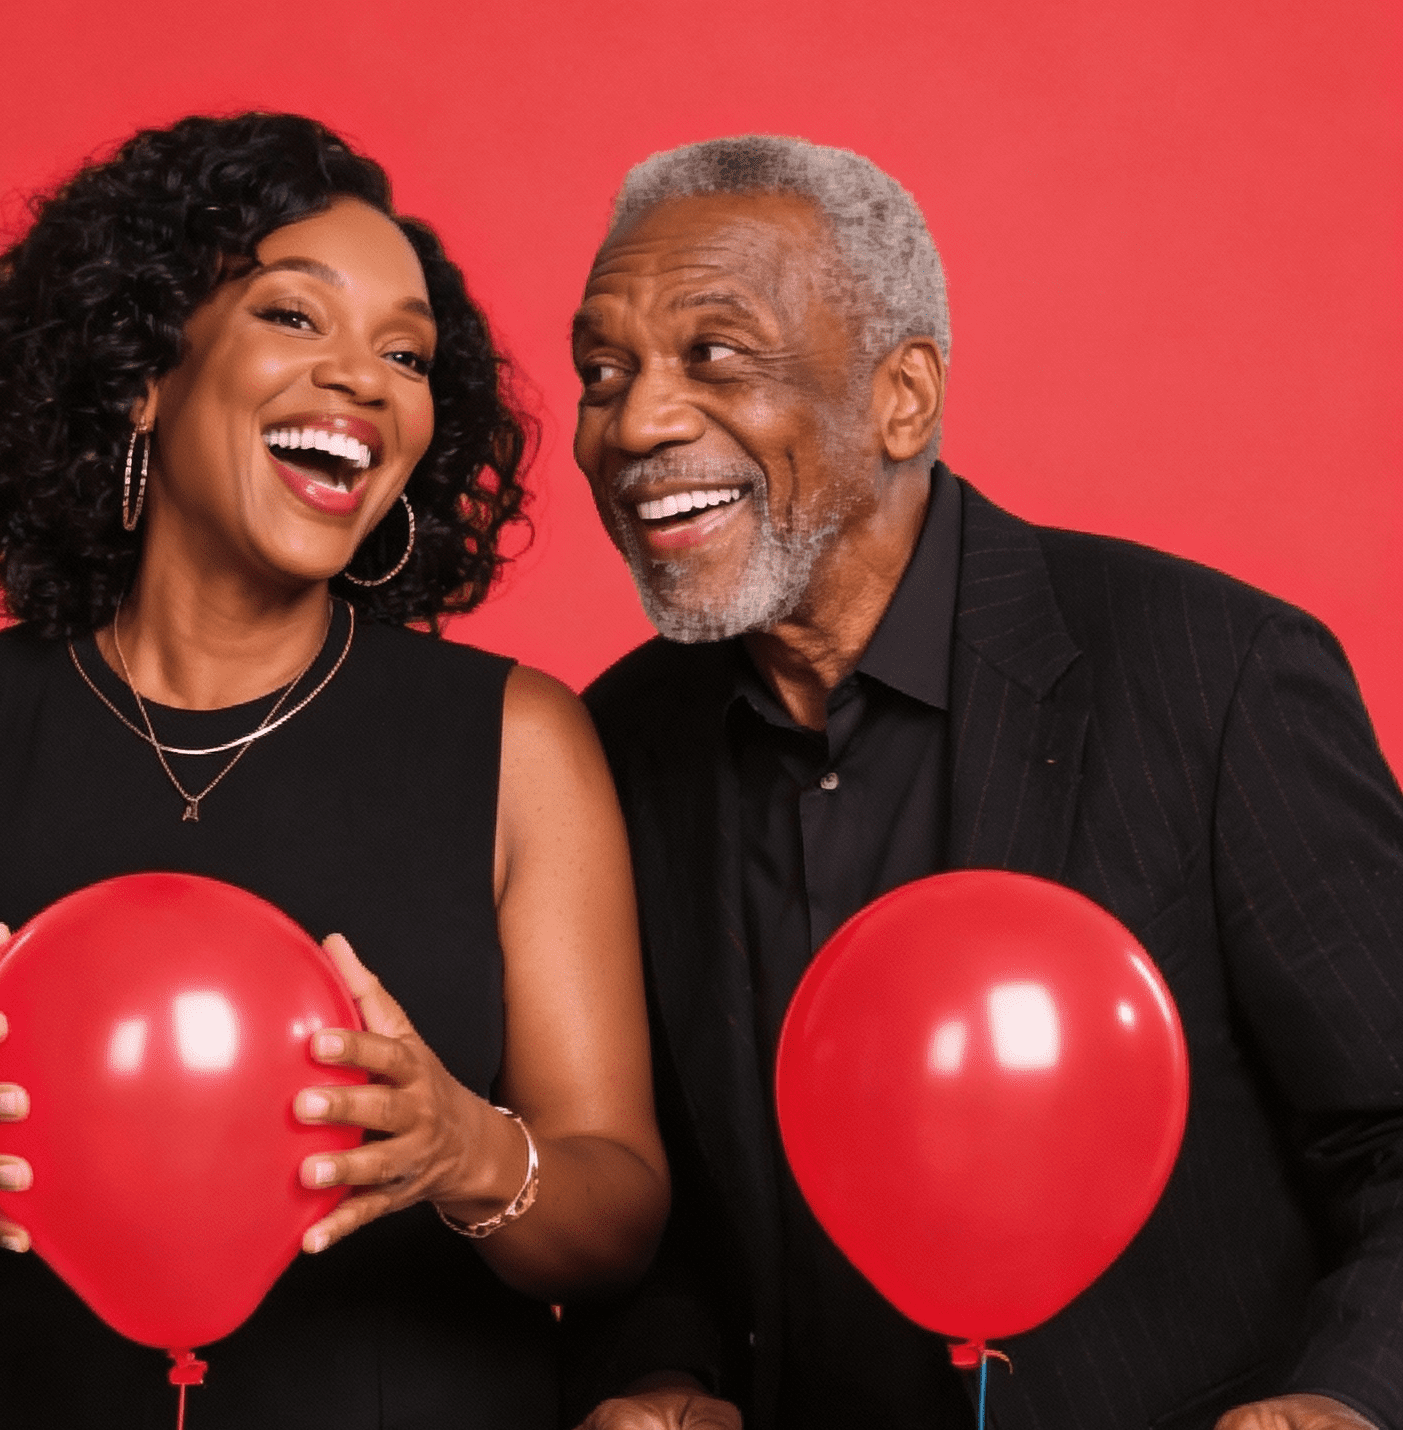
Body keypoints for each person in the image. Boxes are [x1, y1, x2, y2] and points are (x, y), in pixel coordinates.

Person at [0, 113, 668, 1429]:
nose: (363, 379)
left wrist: (468, 1150)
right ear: (142, 374)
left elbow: (616, 1218)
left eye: (405, 354)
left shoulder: (520, 742)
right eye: (295, 316)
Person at [563, 135, 1403, 1430]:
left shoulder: (1216, 674)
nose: (635, 424)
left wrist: (1343, 1397)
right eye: (602, 373)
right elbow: (658, 1184)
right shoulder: (616, 741)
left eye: (713, 355)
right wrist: (662, 1374)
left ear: (902, 397)